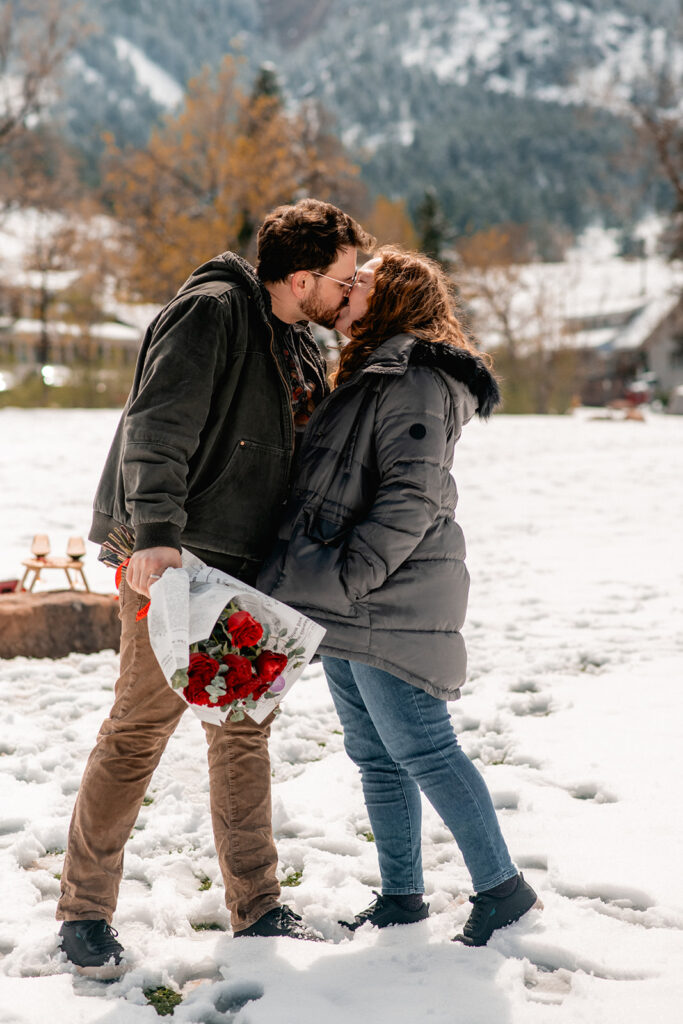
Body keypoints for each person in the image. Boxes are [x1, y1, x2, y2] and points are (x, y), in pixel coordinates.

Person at [56, 198, 375, 976]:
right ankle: (83, 912)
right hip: (177, 561)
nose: (348, 290)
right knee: (139, 729)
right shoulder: (212, 311)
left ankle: (257, 907)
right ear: (300, 278)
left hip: (245, 566)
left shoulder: (295, 339)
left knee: (242, 730)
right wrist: (156, 538)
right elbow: (156, 429)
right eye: (342, 279)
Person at [257, 246, 542, 947]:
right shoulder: (374, 369)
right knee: (376, 755)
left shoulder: (415, 378)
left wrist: (350, 576)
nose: (346, 288)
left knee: (425, 748)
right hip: (346, 597)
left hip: (387, 596)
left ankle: (502, 889)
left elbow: (411, 495)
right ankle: (401, 895)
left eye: (361, 282)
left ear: (392, 300)